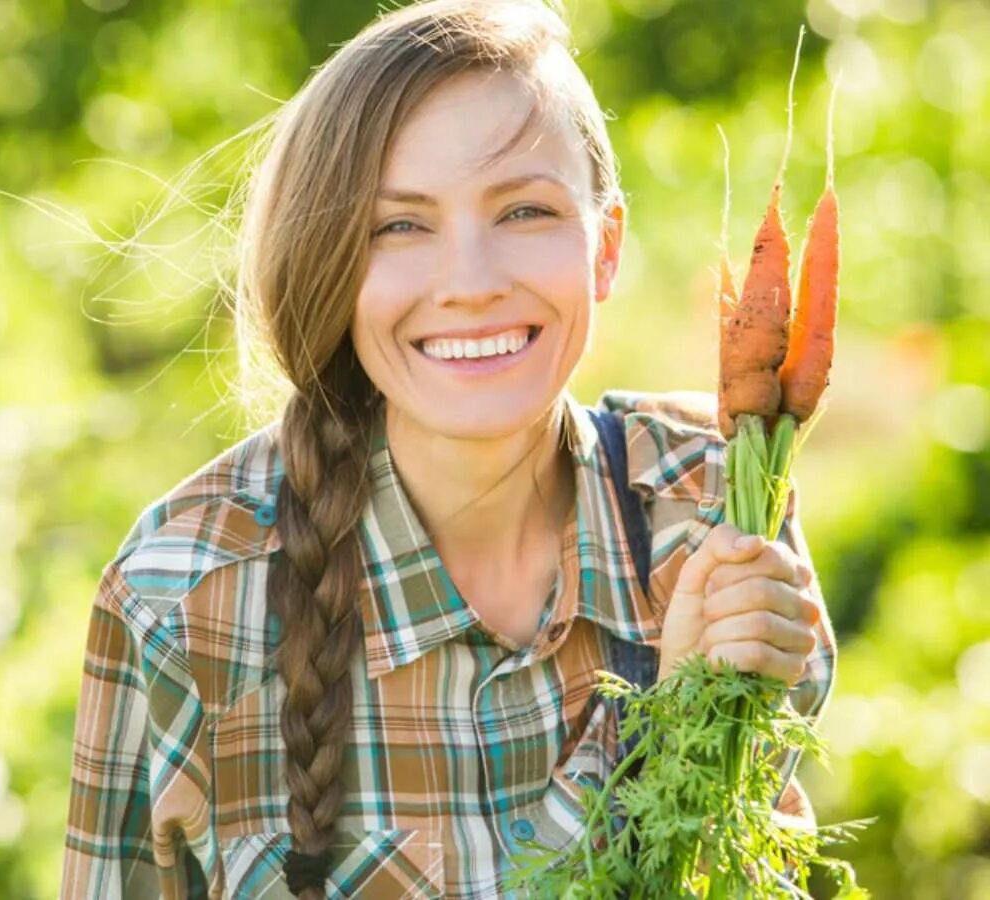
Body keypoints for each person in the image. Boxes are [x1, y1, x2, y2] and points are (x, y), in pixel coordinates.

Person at [61, 1, 834, 897]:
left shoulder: (712, 501)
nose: (470, 284)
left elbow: (753, 863)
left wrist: (718, 715)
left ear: (606, 247)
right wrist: (657, 730)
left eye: (525, 211)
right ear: (328, 264)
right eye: (400, 225)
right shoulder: (183, 597)